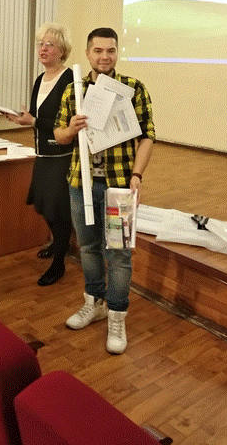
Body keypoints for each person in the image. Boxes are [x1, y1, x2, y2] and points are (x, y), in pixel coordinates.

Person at [54, 27, 155, 354]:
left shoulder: (133, 89)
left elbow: (148, 136)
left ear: (117, 52)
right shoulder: (74, 90)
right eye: (98, 51)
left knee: (119, 253)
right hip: (80, 183)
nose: (105, 56)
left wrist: (137, 175)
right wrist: (71, 129)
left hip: (119, 185)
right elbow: (58, 135)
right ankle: (94, 303)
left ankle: (116, 315)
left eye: (110, 50)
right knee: (88, 247)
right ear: (87, 54)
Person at [6, 23, 74, 286]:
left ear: (62, 51)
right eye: (41, 44)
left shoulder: (69, 80)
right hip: (42, 153)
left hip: (61, 155)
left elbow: (63, 123)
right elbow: (37, 117)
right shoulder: (39, 79)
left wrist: (33, 121)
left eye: (50, 45)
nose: (43, 49)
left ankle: (59, 262)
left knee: (58, 210)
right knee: (43, 204)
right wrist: (22, 118)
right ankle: (57, 244)